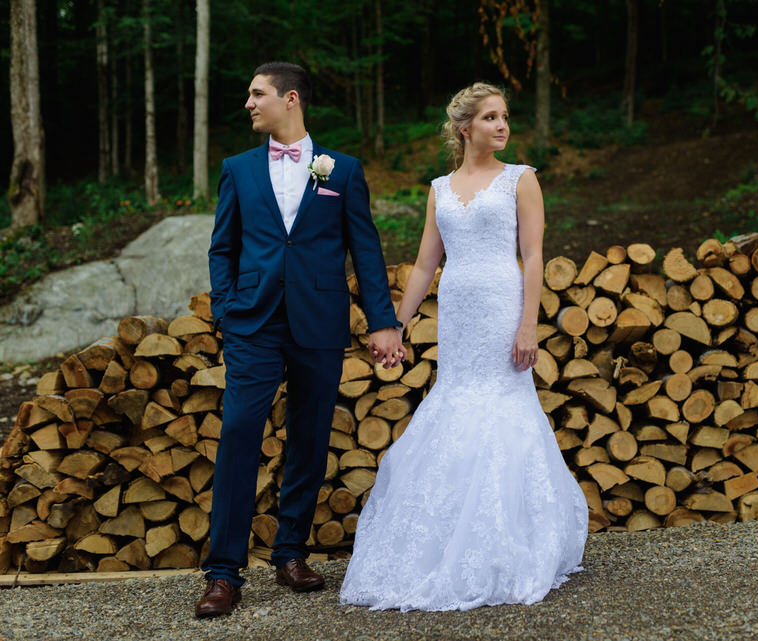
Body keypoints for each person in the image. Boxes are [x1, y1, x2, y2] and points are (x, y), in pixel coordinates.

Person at [339, 82, 588, 612]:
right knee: (455, 400)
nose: (503, 125)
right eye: (491, 118)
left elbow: (534, 255)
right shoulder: (440, 187)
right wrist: (396, 324)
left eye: (505, 117)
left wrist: (529, 325)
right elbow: (427, 264)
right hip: (457, 315)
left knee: (504, 407)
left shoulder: (521, 180)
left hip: (502, 308)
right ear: (464, 127)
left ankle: (510, 540)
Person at [197, 61, 405, 619]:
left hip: (318, 320)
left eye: (256, 93)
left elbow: (365, 248)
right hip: (254, 323)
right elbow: (223, 248)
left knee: (310, 437)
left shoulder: (341, 171)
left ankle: (291, 552)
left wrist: (382, 321)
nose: (248, 103)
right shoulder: (237, 169)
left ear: (290, 99)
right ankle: (223, 573)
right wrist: (226, 312)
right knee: (240, 432)